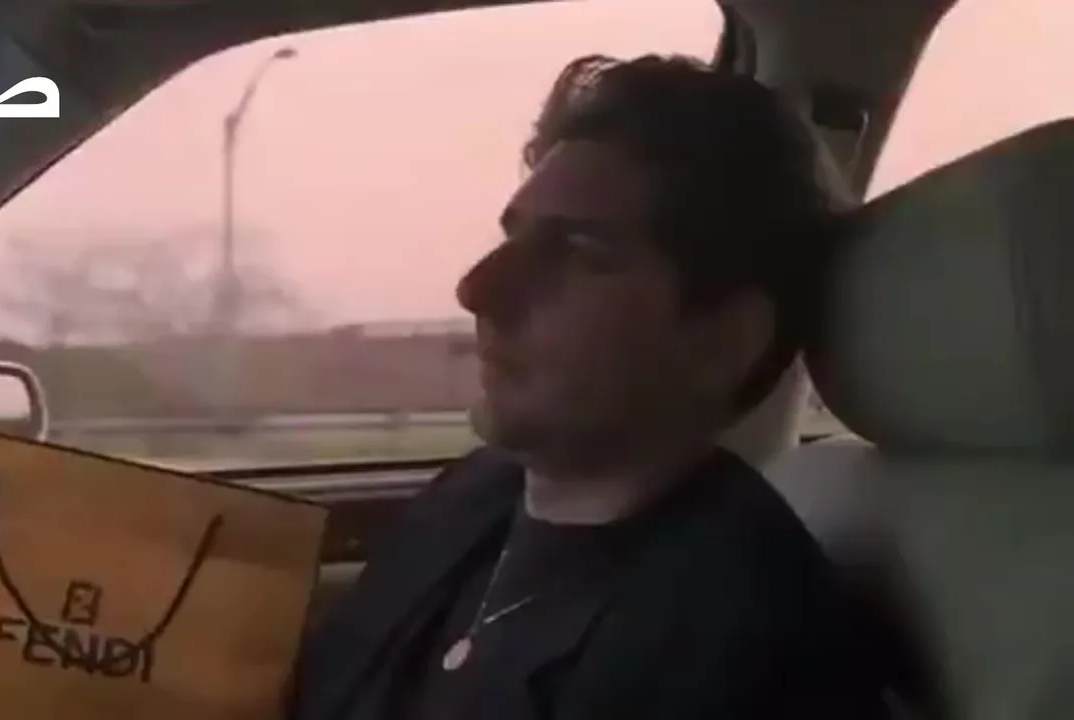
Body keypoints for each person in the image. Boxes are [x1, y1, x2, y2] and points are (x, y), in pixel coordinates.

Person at [290, 54, 886, 720]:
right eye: (513, 238)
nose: (478, 290)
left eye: (580, 251)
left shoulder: (738, 643)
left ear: (723, 341)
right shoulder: (470, 497)